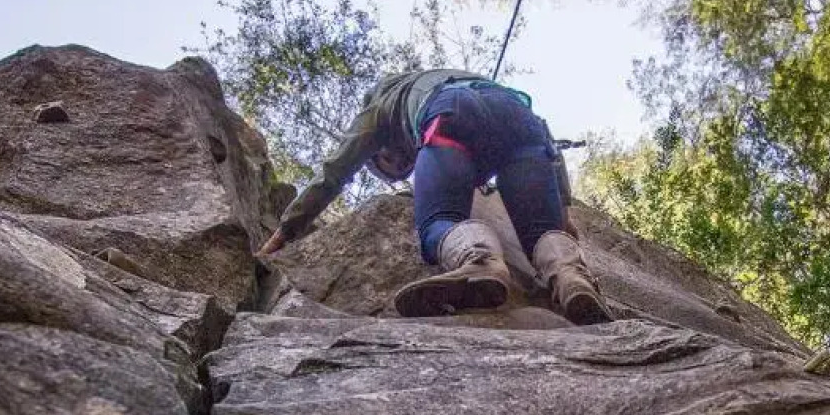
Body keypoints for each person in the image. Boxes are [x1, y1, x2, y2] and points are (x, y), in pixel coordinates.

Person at [255, 68, 612, 325]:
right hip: (521, 119)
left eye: (396, 162)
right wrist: (562, 208)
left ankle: (481, 263)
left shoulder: (381, 103)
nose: (404, 164)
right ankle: (571, 277)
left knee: (438, 221)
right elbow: (546, 141)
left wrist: (285, 232)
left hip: (452, 114)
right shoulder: (450, 76)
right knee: (540, 234)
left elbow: (335, 170)